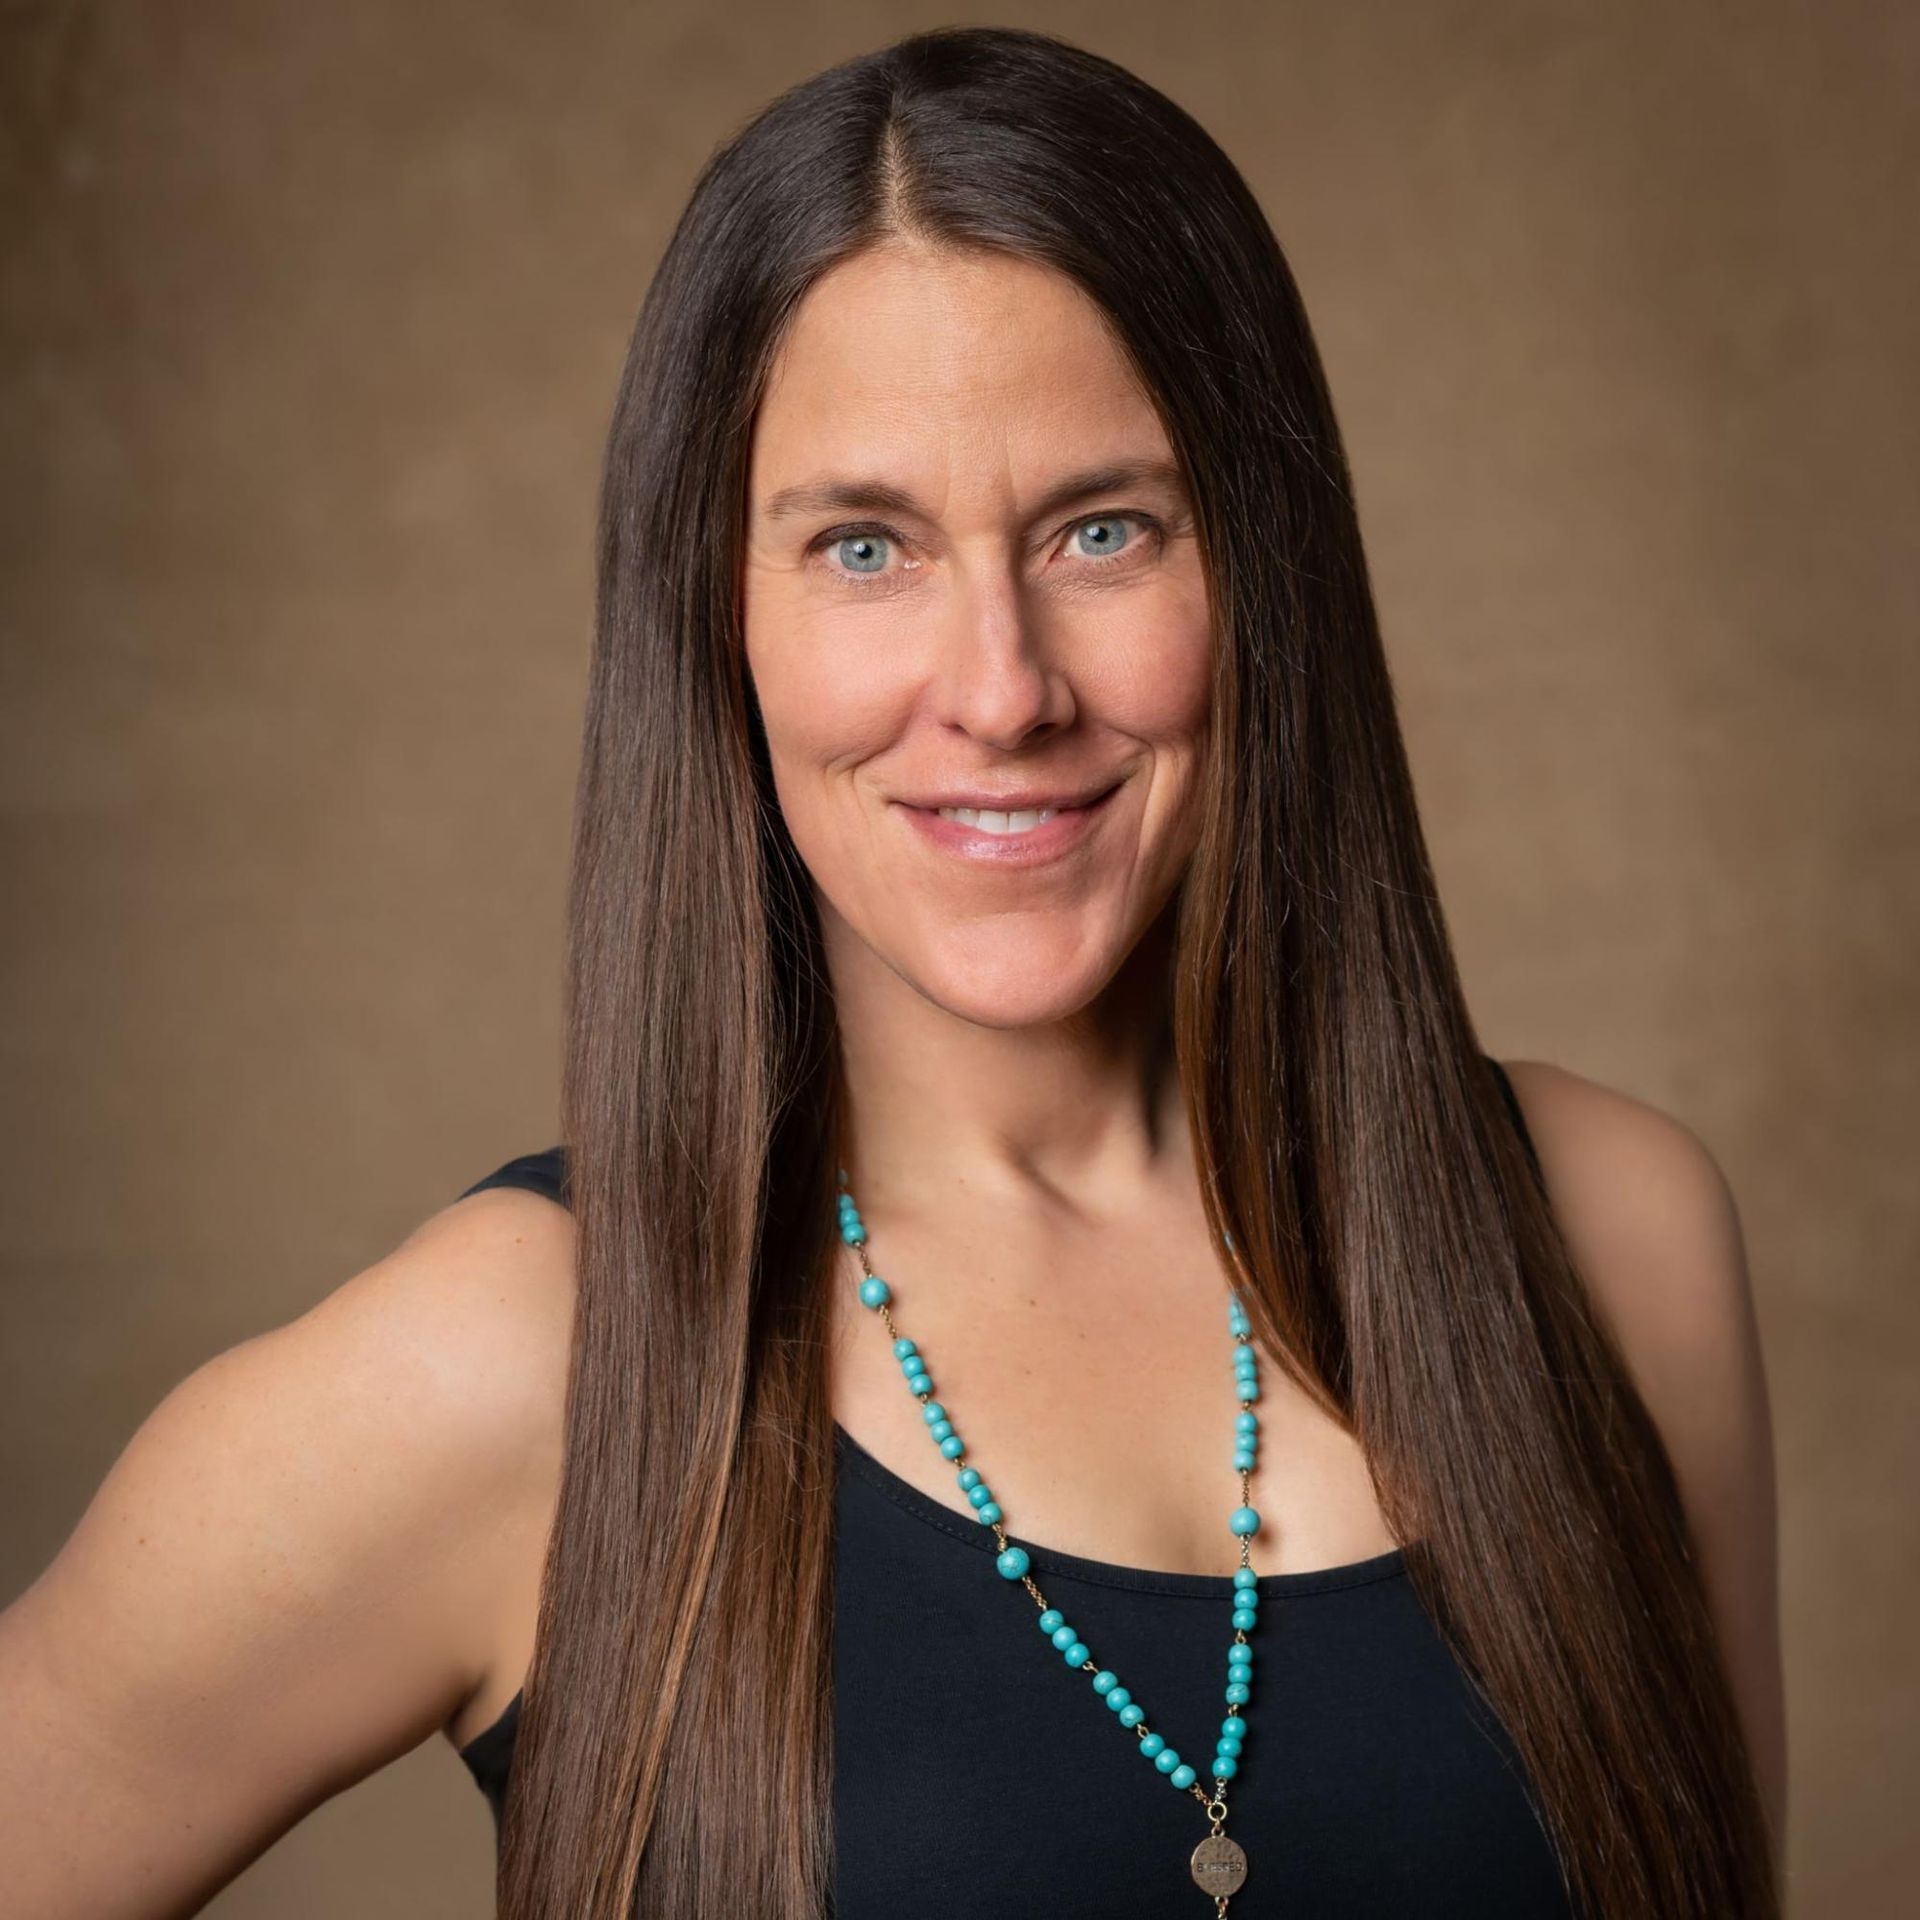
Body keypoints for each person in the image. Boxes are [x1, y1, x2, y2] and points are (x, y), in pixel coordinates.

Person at [0, 24, 1784, 1919]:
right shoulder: (531, 1368)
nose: (1003, 689)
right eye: (865, 548)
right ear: (722, 621)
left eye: (1104, 530)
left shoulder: (1618, 1238)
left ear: (1263, 566)